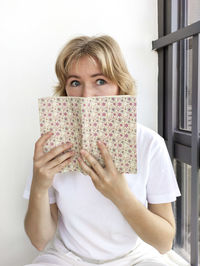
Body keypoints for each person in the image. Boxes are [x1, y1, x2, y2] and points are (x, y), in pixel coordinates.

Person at [23, 35, 181, 266]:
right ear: (65, 90)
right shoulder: (52, 147)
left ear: (119, 85)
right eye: (75, 83)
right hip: (68, 258)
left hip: (135, 258)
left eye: (100, 81)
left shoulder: (149, 143)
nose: (87, 96)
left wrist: (120, 195)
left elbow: (163, 243)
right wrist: (39, 184)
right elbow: (39, 240)